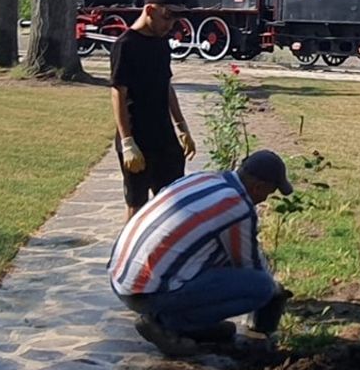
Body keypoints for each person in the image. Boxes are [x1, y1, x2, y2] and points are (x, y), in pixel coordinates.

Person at [108, 150, 295, 357]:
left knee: (220, 260)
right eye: (268, 193)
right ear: (258, 187)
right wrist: (274, 290)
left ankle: (196, 325)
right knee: (261, 287)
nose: (265, 199)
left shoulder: (205, 178)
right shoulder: (237, 207)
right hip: (148, 294)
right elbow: (249, 265)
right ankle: (171, 324)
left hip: (121, 279)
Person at [110, 0, 198, 220]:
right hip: (137, 136)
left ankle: (168, 253)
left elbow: (166, 85)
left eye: (175, 19)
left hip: (163, 135)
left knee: (174, 200)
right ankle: (129, 254)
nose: (170, 24)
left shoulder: (161, 43)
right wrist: (127, 142)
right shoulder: (125, 44)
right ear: (149, 10)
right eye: (167, 16)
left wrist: (181, 126)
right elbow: (118, 92)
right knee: (137, 205)